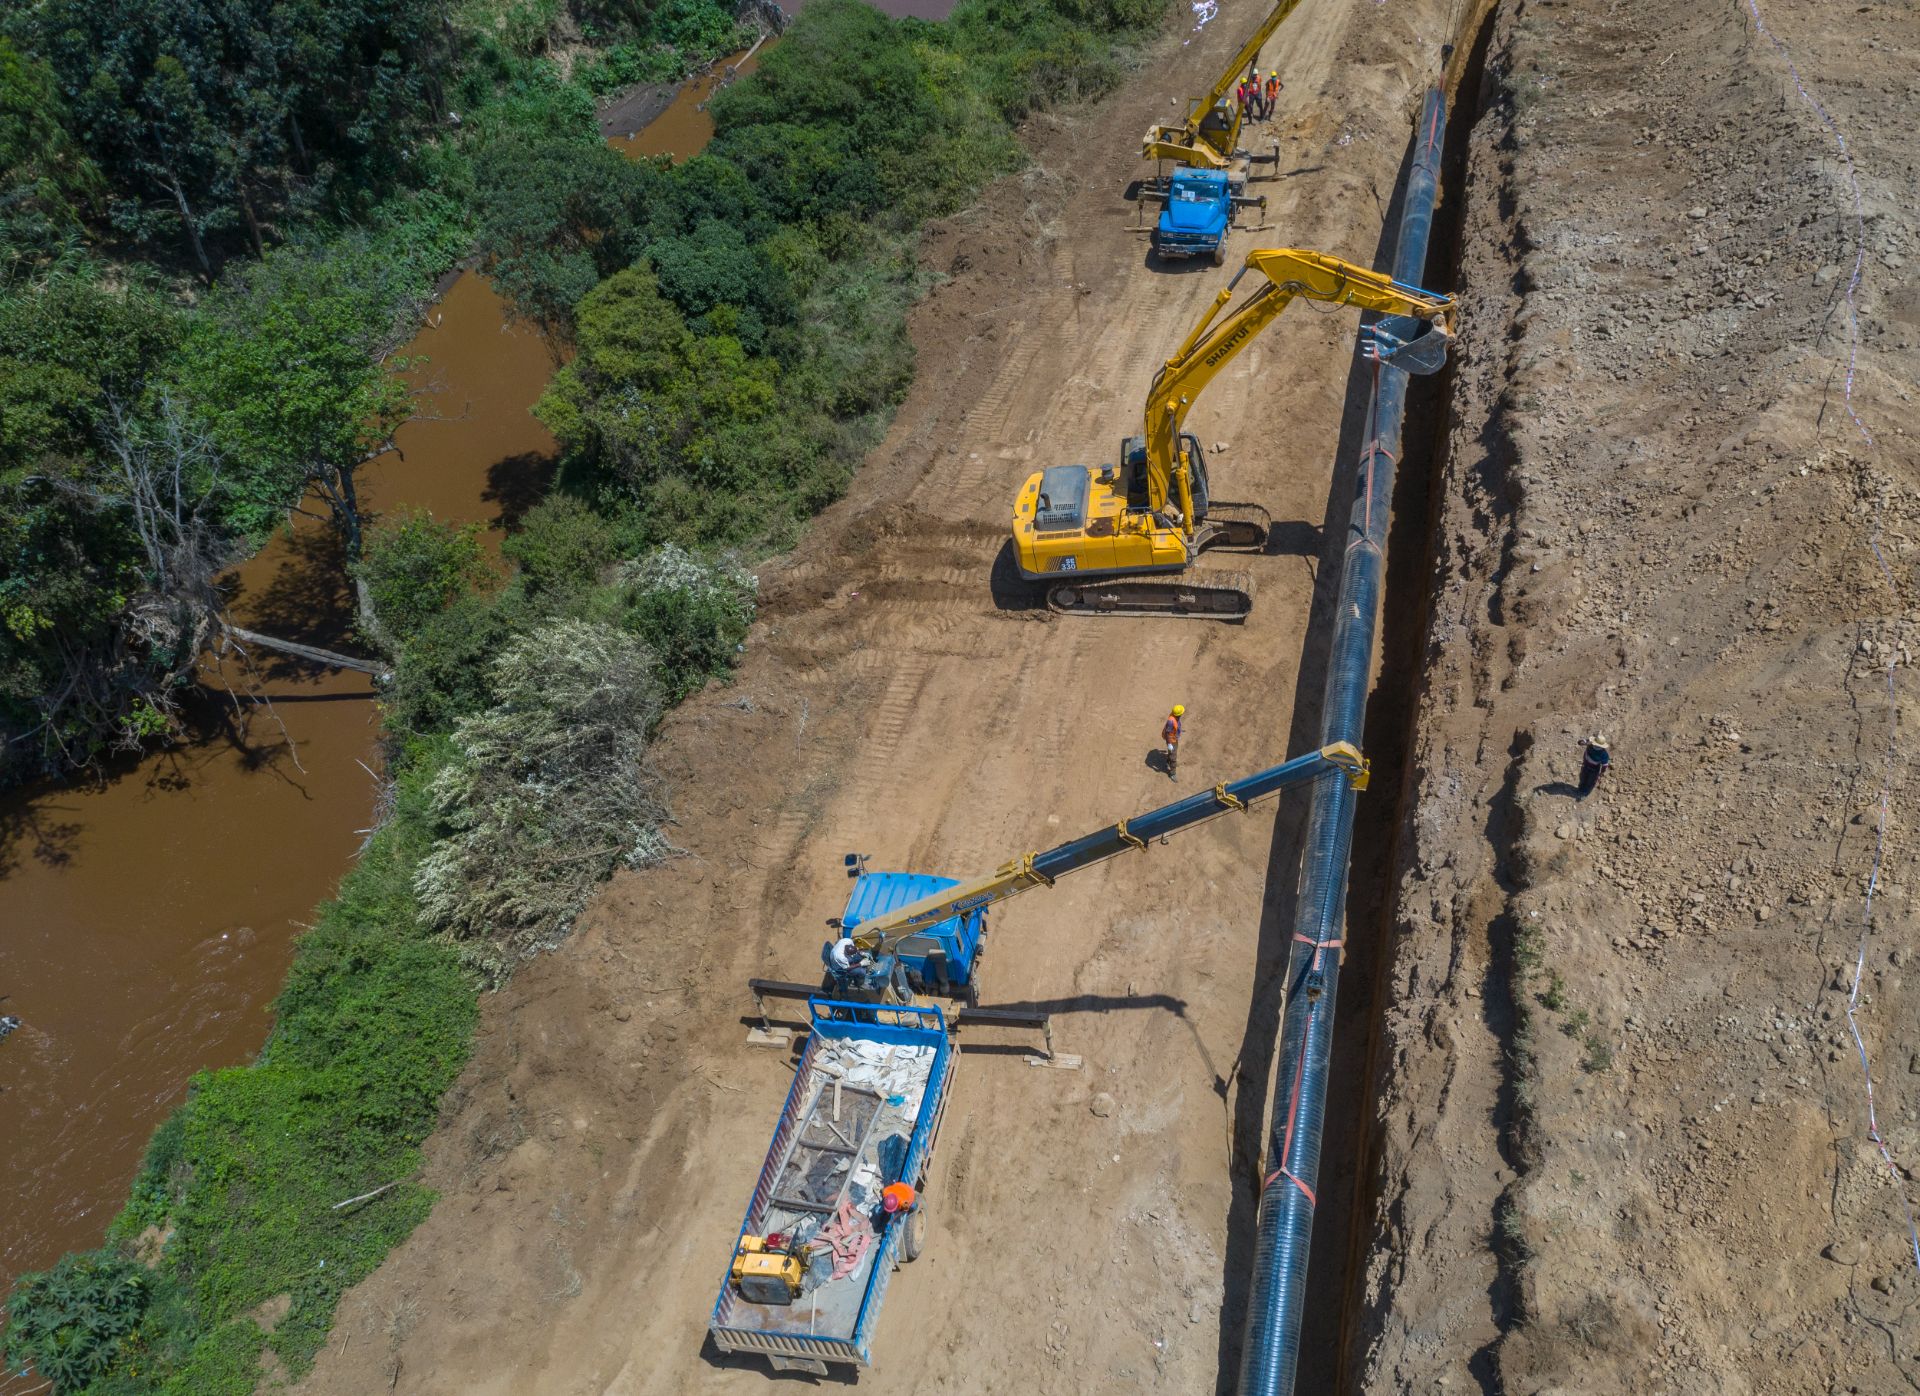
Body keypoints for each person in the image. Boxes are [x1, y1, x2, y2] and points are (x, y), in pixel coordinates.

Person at [1577, 734, 1611, 799]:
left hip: (1594, 770)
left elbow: (1605, 765)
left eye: (1597, 745)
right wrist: (1582, 742)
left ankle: (1585, 793)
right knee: (1582, 777)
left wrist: (1601, 772)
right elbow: (1581, 742)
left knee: (1590, 782)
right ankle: (1580, 788)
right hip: (1585, 765)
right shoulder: (1590, 744)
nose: (1595, 746)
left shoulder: (1603, 754)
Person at [1162, 704, 1185, 779]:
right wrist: (1169, 744)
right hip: (1171, 740)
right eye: (1181, 713)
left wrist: (1179, 730)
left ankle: (1168, 761)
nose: (1182, 714)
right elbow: (1167, 733)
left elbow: (1175, 726)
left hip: (1174, 738)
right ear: (1179, 714)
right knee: (1173, 757)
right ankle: (1172, 773)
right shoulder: (1171, 722)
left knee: (1171, 752)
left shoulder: (1174, 716)